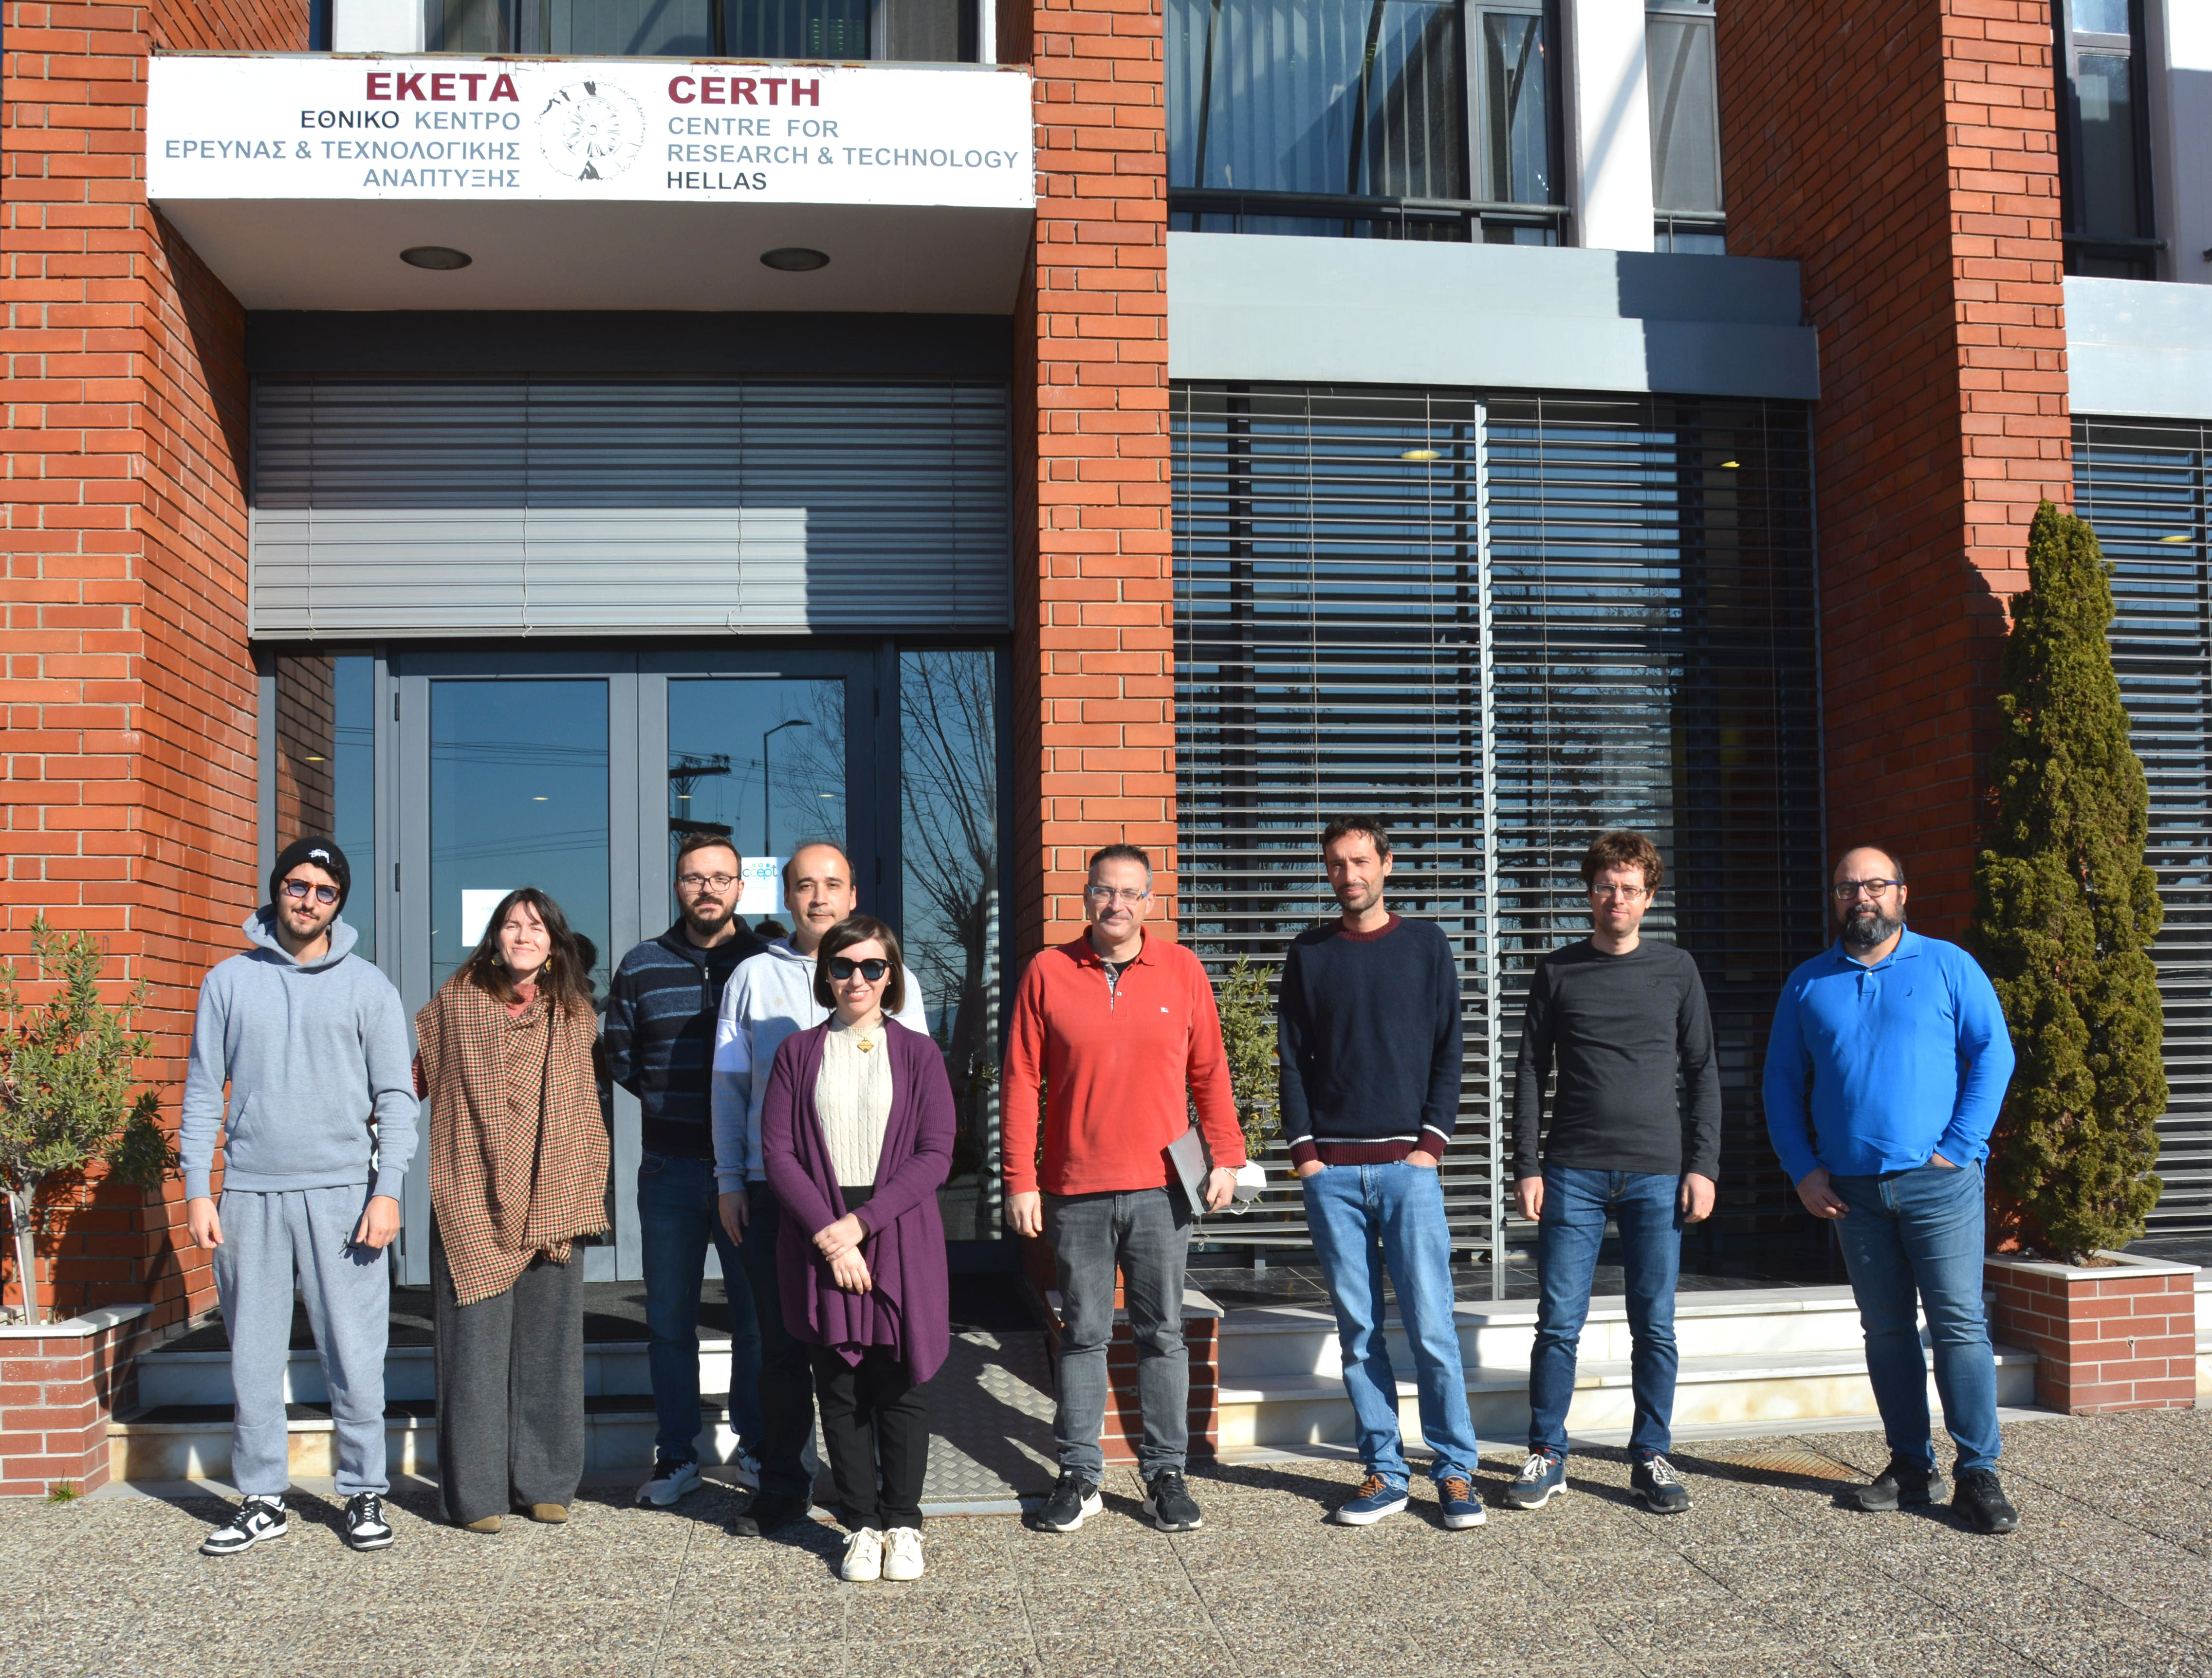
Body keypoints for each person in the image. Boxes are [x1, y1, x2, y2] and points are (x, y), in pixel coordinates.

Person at [1764, 846, 2021, 1535]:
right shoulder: (1809, 983)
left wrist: (1959, 1147)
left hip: (1940, 1186)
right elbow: (1780, 1081)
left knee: (1958, 1324)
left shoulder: (1949, 965)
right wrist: (1803, 1168)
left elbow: (1993, 1054)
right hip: (1852, 1192)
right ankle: (1911, 1466)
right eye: (1848, 888)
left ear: (1902, 893)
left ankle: (1977, 1473)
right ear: (1835, 900)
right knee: (1885, 1330)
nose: (1862, 898)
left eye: (1875, 885)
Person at [181, 838, 419, 1557]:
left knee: (355, 1354)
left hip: (345, 1196)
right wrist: (198, 1191)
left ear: (338, 902)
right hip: (249, 1195)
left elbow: (396, 1098)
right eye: (297, 885)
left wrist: (388, 1191)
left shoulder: (369, 986)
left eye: (324, 890)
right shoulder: (228, 981)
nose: (308, 900)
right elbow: (202, 1093)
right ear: (276, 889)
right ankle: (263, 1498)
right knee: (253, 1358)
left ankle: (364, 1489)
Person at [1004, 843, 1246, 1535]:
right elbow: (1021, 1080)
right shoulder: (1048, 971)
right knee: (1082, 1334)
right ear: (1087, 896)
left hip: (1162, 1191)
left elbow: (1210, 1070)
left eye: (1130, 892)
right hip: (1076, 1189)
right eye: (1104, 891)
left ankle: (1165, 1475)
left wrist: (1226, 1158)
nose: (1116, 904)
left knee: (1161, 1334)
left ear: (1149, 901)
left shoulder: (1183, 969)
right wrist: (1020, 1178)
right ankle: (1080, 1475)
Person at [711, 841, 927, 1536]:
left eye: (832, 883)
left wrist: (871, 1217)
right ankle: (783, 1484)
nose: (818, 897)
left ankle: (879, 1500)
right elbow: (729, 1087)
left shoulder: (895, 975)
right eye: (804, 885)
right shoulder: (752, 976)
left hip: (875, 1205)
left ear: (853, 893)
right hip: (776, 1192)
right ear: (787, 895)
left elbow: (918, 1105)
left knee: (875, 1352)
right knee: (779, 1348)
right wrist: (729, 1177)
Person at [1506, 829, 1720, 1516]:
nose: (1616, 898)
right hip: (1572, 1170)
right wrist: (1527, 1166)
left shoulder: (1677, 969)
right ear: (1589, 893)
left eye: (1629, 888)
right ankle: (1548, 1453)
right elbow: (1530, 1071)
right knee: (1557, 1323)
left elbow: (1702, 1071)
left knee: (1654, 1325)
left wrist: (1703, 1165)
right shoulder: (1559, 971)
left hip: (1658, 1173)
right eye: (1605, 886)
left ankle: (1651, 1456)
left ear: (1649, 897)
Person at [1277, 816, 1481, 1530]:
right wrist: (1306, 1156)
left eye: (1361, 861)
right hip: (1332, 1174)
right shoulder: (1309, 954)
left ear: (1386, 864)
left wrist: (1430, 1147)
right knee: (1359, 1333)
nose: (1350, 875)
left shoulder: (1426, 945)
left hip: (1407, 1171)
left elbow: (1451, 1048)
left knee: (1433, 1331)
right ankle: (1386, 1473)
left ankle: (1455, 1472)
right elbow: (1291, 1060)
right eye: (1337, 864)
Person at [762, 917, 955, 1583]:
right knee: (840, 1389)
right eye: (843, 966)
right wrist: (831, 1235)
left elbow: (936, 1154)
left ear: (891, 975)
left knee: (901, 1384)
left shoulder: (920, 1054)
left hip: (897, 1231)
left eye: (873, 967)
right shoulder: (797, 1053)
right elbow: (779, 1154)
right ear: (826, 975)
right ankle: (862, 1527)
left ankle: (904, 1524)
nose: (858, 979)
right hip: (820, 1234)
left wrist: (860, 1226)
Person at [415, 888, 611, 1532]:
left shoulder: (575, 1014)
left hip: (555, 1194)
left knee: (550, 1348)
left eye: (536, 927)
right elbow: (412, 1079)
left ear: (553, 942)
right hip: (471, 1194)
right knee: (473, 1351)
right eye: (511, 924)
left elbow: (586, 1105)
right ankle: (476, 1495)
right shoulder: (453, 1005)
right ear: (494, 937)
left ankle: (545, 1482)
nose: (523, 935)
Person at [606, 833, 769, 1508]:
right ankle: (677, 1455)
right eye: (696, 878)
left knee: (755, 1319)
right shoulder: (642, 964)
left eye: (721, 878)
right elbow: (621, 1054)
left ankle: (756, 1447)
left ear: (740, 887)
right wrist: (671, 1102)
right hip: (669, 1169)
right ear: (679, 887)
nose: (708, 889)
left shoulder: (766, 962)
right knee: (670, 1321)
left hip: (750, 1172)